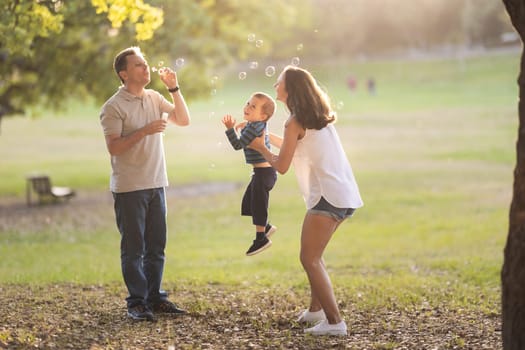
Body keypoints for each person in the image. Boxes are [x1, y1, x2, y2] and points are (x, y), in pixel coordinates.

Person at [249, 65, 363, 336]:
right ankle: (316, 310)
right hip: (343, 194)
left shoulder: (295, 122)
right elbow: (290, 144)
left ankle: (335, 322)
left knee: (309, 258)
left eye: (279, 82)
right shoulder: (313, 117)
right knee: (315, 256)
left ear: (290, 89)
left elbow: (282, 164)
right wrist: (261, 136)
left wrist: (259, 147)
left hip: (328, 197)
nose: (275, 85)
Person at [99, 46, 190, 322]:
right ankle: (136, 303)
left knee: (156, 247)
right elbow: (114, 147)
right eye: (139, 65)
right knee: (133, 249)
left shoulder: (153, 97)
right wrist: (145, 131)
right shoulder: (112, 107)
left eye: (145, 63)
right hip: (129, 188)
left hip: (156, 184)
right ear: (124, 74)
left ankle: (155, 298)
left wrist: (174, 89)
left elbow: (183, 120)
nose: (145, 68)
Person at [221, 92, 278, 256]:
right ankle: (266, 227)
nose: (247, 107)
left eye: (253, 106)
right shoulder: (257, 125)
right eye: (248, 103)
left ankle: (261, 238)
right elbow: (252, 126)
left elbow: (238, 145)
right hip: (262, 172)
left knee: (259, 205)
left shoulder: (253, 129)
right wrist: (245, 124)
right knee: (249, 202)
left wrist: (230, 129)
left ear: (263, 115)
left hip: (264, 173)